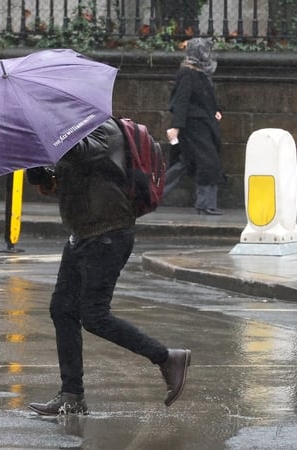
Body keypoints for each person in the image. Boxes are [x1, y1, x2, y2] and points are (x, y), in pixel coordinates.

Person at [26, 118, 191, 416]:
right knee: (62, 309)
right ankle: (71, 396)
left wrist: (45, 138)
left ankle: (167, 357)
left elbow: (83, 154)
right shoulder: (69, 133)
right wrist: (40, 170)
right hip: (83, 234)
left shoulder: (102, 129)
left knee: (94, 315)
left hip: (108, 233)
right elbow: (69, 173)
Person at [165, 37, 226, 215]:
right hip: (193, 127)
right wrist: (176, 127)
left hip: (202, 124)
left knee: (185, 163)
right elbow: (181, 101)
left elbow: (204, 98)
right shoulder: (188, 73)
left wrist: (215, 110)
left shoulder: (199, 73)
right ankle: (205, 204)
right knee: (208, 161)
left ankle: (150, 193)